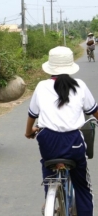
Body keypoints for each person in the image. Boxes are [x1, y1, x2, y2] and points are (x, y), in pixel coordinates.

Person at [25, 46, 98, 216]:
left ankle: (50, 198)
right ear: (70, 66)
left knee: (48, 166)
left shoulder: (42, 86)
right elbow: (94, 111)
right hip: (73, 142)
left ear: (50, 67)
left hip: (48, 142)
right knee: (83, 188)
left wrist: (28, 132)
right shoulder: (80, 85)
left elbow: (32, 115)